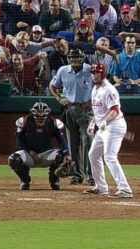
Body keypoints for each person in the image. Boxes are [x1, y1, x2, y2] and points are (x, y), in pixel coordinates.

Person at [84, 63, 133, 198]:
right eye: (93, 73)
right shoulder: (95, 89)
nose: (94, 75)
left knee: (110, 157)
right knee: (93, 154)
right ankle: (101, 187)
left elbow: (115, 110)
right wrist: (93, 122)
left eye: (97, 73)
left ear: (103, 73)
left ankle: (125, 189)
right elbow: (98, 111)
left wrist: (105, 122)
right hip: (103, 127)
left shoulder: (109, 89)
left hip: (114, 125)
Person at [49, 48, 94, 186]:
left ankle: (91, 175)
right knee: (72, 144)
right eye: (73, 58)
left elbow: (100, 86)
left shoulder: (90, 69)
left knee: (89, 142)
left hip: (87, 110)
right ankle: (76, 175)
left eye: (78, 57)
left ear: (83, 58)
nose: (75, 60)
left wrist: (94, 101)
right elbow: (53, 85)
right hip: (69, 109)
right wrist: (59, 98)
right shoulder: (63, 70)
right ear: (69, 59)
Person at [8, 101, 70, 190]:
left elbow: (62, 141)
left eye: (43, 116)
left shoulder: (54, 122)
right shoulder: (24, 121)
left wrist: (66, 154)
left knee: (61, 155)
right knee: (13, 159)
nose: (40, 119)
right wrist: (31, 153)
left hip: (46, 154)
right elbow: (19, 141)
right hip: (29, 154)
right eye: (38, 116)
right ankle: (25, 180)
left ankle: (54, 180)